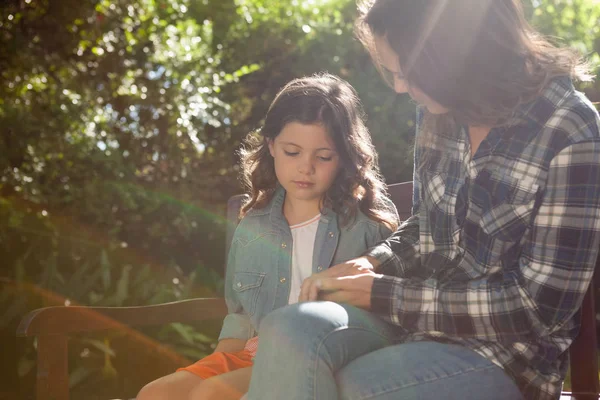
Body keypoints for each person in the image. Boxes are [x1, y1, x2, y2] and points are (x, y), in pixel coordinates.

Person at [244, 1, 600, 399]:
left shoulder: (569, 129)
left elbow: (537, 309)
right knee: (287, 329)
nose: (399, 87)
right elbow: (428, 227)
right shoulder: (438, 107)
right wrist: (373, 261)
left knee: (348, 389)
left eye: (406, 73)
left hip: (504, 361)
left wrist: (382, 293)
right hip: (408, 326)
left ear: (453, 58)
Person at [136, 72, 399, 400]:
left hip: (320, 354)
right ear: (272, 145)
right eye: (292, 152)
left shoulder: (367, 218)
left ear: (345, 155)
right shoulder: (252, 223)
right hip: (252, 353)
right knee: (156, 394)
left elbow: (388, 312)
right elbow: (241, 313)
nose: (306, 167)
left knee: (212, 394)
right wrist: (216, 364)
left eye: (324, 156)